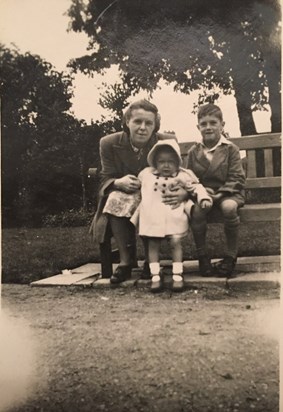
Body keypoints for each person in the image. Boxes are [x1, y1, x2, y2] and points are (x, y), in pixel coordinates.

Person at [90, 99, 188, 284]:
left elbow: (181, 174)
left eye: (149, 123)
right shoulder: (109, 143)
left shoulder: (166, 142)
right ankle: (126, 262)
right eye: (137, 122)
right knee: (115, 199)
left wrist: (183, 192)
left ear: (155, 125)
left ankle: (151, 262)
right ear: (127, 122)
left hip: (159, 193)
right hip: (127, 192)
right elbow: (105, 177)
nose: (143, 128)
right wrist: (118, 181)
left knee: (150, 202)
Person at [132, 139, 212, 292]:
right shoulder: (146, 175)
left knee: (175, 241)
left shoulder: (182, 176)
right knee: (153, 242)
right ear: (155, 162)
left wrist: (204, 198)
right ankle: (155, 275)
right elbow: (136, 185)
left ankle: (177, 274)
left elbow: (196, 187)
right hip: (152, 216)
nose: (166, 166)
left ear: (177, 162)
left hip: (173, 214)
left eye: (170, 162)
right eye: (161, 162)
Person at [185, 103, 246, 277]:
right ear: (198, 127)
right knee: (197, 211)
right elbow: (189, 177)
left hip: (229, 193)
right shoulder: (193, 151)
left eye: (213, 123)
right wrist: (202, 192)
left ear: (222, 125)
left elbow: (237, 177)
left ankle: (230, 256)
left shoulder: (230, 149)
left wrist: (219, 194)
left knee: (228, 208)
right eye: (203, 124)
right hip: (204, 195)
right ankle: (202, 257)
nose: (208, 127)